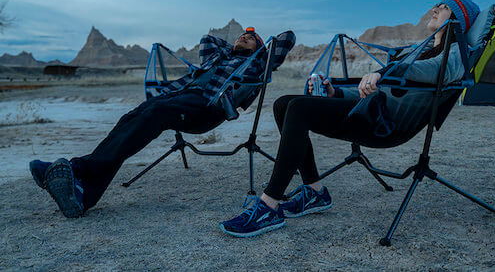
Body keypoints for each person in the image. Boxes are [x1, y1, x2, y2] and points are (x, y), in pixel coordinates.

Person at [220, 0, 481, 237]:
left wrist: (384, 72)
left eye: (444, 7)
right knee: (284, 103)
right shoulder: (418, 51)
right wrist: (336, 93)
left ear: (459, 18)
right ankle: (314, 191)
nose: (434, 9)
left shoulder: (458, 52)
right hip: (372, 111)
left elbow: (437, 70)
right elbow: (380, 89)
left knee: (299, 108)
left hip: (386, 124)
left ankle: (269, 205)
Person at [29, 28, 295, 218]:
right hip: (181, 95)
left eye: (251, 39)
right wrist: (235, 46)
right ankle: (82, 187)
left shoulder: (260, 62)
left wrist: (257, 48)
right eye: (241, 35)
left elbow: (286, 38)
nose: (244, 37)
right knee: (134, 116)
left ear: (260, 48)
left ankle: (78, 174)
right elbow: (208, 39)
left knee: (154, 113)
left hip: (208, 107)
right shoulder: (217, 57)